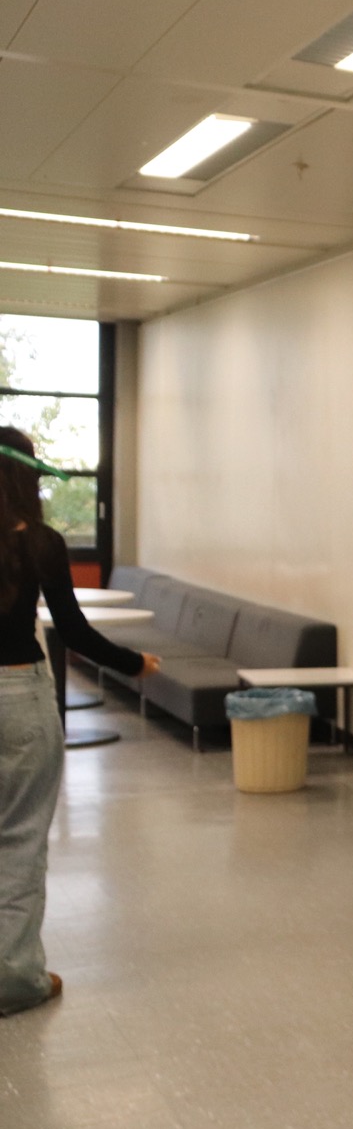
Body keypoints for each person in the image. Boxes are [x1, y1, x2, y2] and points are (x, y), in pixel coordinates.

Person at [0, 428, 159, 1016]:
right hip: (19, 696)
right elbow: (72, 632)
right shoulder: (41, 542)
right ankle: (15, 980)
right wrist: (134, 663)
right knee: (19, 840)